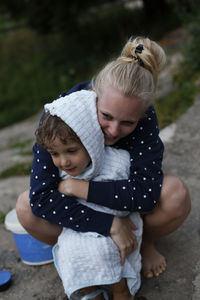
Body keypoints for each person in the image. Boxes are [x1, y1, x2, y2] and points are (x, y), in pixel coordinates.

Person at [16, 36, 191, 279]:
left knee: (176, 194)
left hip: (123, 206)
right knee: (25, 208)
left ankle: (141, 244)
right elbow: (41, 197)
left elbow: (146, 195)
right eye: (106, 116)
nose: (114, 130)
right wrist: (107, 224)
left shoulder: (145, 119)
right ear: (93, 96)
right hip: (82, 212)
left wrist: (77, 186)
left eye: (128, 122)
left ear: (141, 115)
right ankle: (76, 249)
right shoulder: (60, 113)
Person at [36, 89, 143, 299]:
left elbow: (131, 198)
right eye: (55, 154)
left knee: (103, 249)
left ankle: (121, 290)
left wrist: (78, 190)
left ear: (90, 141)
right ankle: (90, 292)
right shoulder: (58, 171)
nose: (64, 162)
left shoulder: (117, 162)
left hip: (118, 225)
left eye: (71, 151)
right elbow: (44, 200)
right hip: (77, 224)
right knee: (70, 251)